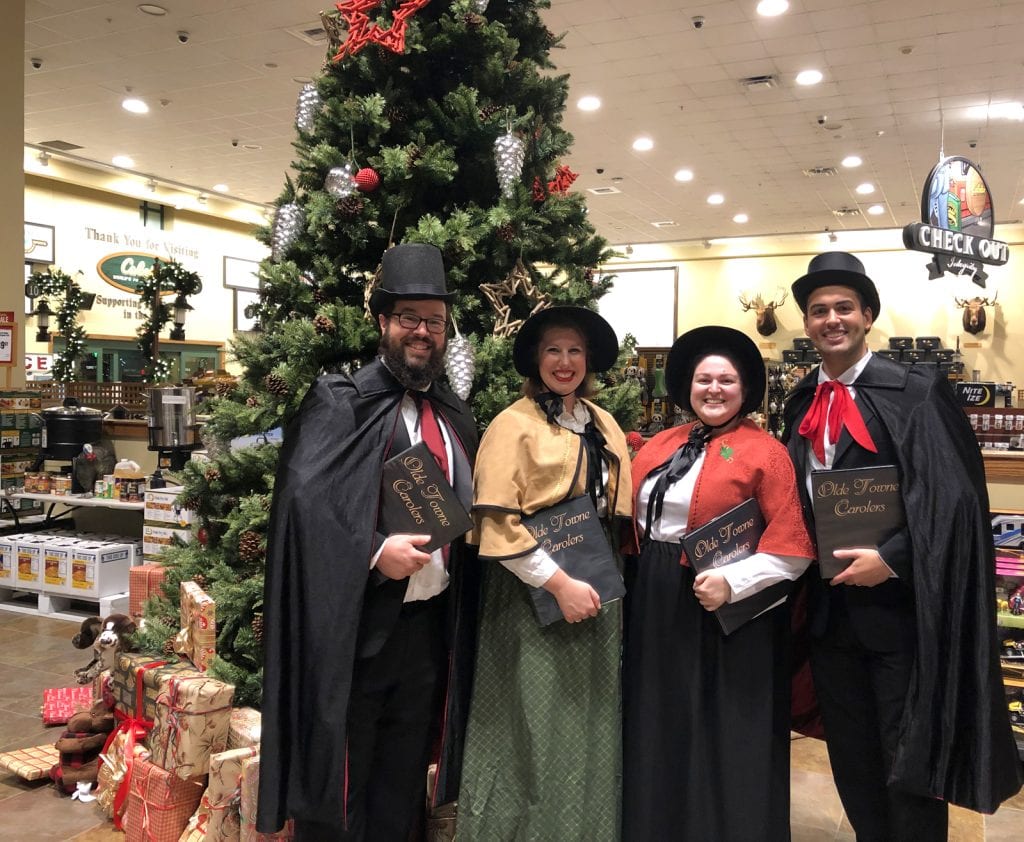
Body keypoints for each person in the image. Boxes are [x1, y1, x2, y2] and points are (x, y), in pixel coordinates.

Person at [782, 251, 1022, 841]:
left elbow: (957, 504)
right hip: (830, 616)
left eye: (844, 307)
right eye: (818, 311)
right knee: (853, 756)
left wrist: (891, 559)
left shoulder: (915, 391)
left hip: (902, 618)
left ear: (867, 316)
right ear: (807, 323)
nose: (831, 319)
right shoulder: (801, 400)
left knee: (907, 758)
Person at [257, 243, 480, 841]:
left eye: (434, 321)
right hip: (357, 630)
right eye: (409, 317)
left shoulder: (454, 413)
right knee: (345, 783)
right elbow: (306, 508)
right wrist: (377, 551)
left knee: (403, 779)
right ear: (382, 322)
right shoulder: (342, 403)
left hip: (429, 630)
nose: (423, 332)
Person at [622, 325, 814, 841]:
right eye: (704, 379)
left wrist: (733, 581)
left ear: (745, 388)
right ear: (686, 385)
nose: (713, 389)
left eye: (726, 380)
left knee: (722, 724)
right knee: (660, 718)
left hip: (727, 610)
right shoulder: (660, 443)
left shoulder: (765, 453)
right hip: (654, 600)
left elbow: (793, 548)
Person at [458, 306, 632, 841]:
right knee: (531, 725)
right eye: (553, 350)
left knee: (589, 723)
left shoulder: (602, 423)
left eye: (575, 350)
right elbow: (497, 522)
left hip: (597, 587)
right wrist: (559, 584)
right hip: (532, 596)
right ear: (536, 359)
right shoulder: (514, 424)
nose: (565, 361)